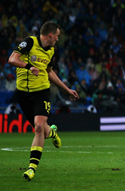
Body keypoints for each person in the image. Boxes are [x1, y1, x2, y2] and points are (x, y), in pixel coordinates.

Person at [8, 21, 79, 181]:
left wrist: (66, 90)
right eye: (57, 36)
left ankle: (31, 168)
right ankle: (52, 132)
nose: (57, 39)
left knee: (39, 127)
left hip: (41, 92)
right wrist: (28, 67)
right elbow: (12, 59)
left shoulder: (51, 51)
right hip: (23, 94)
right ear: (51, 35)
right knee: (44, 131)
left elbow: (49, 72)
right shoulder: (30, 42)